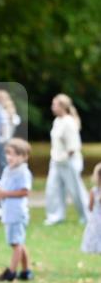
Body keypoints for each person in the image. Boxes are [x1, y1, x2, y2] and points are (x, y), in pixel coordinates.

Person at [0, 138, 33, 282]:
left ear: (24, 156)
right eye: (8, 154)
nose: (10, 157)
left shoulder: (23, 172)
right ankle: (26, 271)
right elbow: (3, 187)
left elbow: (25, 192)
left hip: (17, 212)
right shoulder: (7, 170)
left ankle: (11, 272)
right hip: (8, 211)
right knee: (17, 242)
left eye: (15, 154)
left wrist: (4, 194)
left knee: (16, 243)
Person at [44, 93, 89, 225]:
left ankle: (87, 216)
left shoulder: (69, 122)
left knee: (76, 190)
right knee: (53, 189)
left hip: (69, 161)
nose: (52, 107)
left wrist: (64, 158)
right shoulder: (57, 121)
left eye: (55, 105)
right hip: (56, 161)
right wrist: (56, 158)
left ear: (63, 106)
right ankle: (55, 217)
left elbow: (73, 146)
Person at [81, 163, 101, 254]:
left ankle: (94, 247)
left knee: (94, 232)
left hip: (96, 218)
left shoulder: (94, 191)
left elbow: (90, 207)